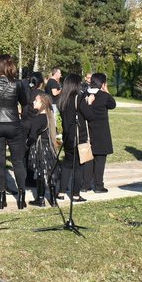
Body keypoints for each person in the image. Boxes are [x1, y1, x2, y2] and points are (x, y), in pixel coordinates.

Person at [0, 55, 29, 209]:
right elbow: (25, 103)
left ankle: (1, 194)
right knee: (18, 161)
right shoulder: (18, 84)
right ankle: (21, 195)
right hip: (13, 123)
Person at [57, 73, 94, 202]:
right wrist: (89, 103)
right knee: (79, 166)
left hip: (67, 136)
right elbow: (89, 116)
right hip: (79, 136)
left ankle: (61, 192)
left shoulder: (63, 99)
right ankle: (75, 194)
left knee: (67, 164)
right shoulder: (78, 99)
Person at [83, 73, 116, 193]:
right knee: (100, 159)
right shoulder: (104, 96)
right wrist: (106, 90)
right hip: (101, 132)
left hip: (87, 131)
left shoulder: (85, 94)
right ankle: (98, 185)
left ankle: (85, 184)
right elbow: (113, 105)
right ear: (102, 83)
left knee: (88, 159)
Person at [25, 92, 58, 206]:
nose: (34, 102)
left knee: (40, 173)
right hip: (49, 147)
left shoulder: (37, 118)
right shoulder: (50, 117)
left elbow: (33, 136)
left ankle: (40, 199)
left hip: (39, 147)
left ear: (42, 103)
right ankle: (53, 200)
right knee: (50, 172)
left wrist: (27, 144)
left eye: (36, 100)